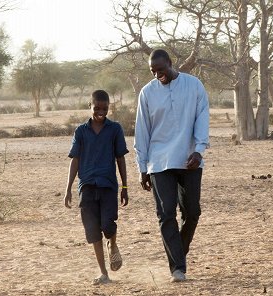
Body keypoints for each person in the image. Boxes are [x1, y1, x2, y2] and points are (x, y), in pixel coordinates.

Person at [134, 49, 209, 283]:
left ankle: (178, 253)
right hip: (159, 162)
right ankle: (177, 267)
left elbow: (202, 116)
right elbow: (142, 131)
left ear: (170, 63)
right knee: (166, 214)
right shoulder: (147, 93)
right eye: (153, 71)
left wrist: (199, 149)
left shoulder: (194, 85)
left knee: (192, 212)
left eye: (161, 69)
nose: (158, 75)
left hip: (189, 160)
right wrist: (142, 167)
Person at [64, 89, 129, 285]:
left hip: (108, 185)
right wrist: (68, 188)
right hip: (87, 187)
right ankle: (104, 273)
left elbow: (120, 158)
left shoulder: (115, 129)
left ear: (109, 107)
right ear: (89, 106)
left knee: (108, 225)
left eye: (105, 108)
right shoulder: (81, 131)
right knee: (93, 231)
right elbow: (75, 160)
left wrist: (125, 186)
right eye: (97, 108)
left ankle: (113, 244)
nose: (101, 111)